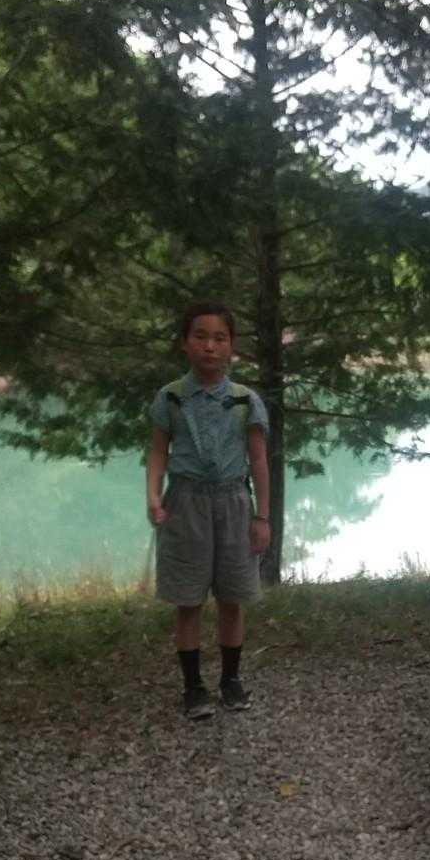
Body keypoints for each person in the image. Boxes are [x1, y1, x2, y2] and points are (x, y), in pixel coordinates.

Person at [146, 300, 270, 718]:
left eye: (220, 338)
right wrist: (153, 496)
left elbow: (258, 460)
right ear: (185, 343)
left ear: (231, 346)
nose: (210, 346)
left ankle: (231, 680)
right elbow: (158, 452)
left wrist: (262, 517)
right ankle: (193, 687)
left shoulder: (245, 400)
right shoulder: (170, 398)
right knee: (188, 599)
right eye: (200, 336)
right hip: (186, 503)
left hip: (235, 503)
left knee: (232, 598)